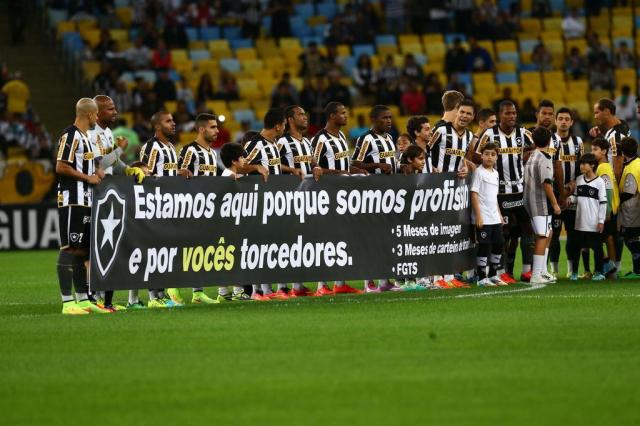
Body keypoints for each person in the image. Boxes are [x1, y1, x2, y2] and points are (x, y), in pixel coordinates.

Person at [90, 95, 145, 311]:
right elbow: (96, 163)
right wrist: (120, 149)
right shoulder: (91, 133)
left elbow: (113, 161)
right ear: (99, 111)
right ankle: (92, 296)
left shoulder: (108, 133)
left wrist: (128, 168)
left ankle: (105, 300)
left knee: (109, 244)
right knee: (95, 246)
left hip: (110, 192)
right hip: (95, 193)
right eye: (111, 109)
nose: (116, 112)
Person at [55, 98, 108, 315]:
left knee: (83, 250)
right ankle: (68, 302)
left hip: (86, 199)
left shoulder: (86, 138)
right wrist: (88, 177)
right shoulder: (70, 135)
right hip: (72, 199)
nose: (97, 118)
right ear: (89, 115)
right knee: (70, 249)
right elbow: (61, 166)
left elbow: (88, 164)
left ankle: (83, 299)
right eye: (96, 115)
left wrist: (97, 171)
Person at [473, 101, 534, 284]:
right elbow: (475, 154)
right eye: (508, 113)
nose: (512, 116)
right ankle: (498, 272)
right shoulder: (489, 134)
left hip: (519, 191)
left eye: (514, 113)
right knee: (503, 235)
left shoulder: (523, 133)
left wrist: (523, 158)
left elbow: (536, 146)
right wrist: (489, 163)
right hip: (499, 194)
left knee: (524, 232)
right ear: (500, 115)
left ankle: (526, 271)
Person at [139, 111, 192, 308]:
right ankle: (154, 297)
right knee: (154, 251)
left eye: (173, 119)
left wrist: (179, 172)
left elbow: (165, 172)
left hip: (169, 206)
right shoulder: (151, 148)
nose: (174, 123)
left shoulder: (170, 147)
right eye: (169, 121)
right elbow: (145, 175)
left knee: (165, 251)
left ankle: (161, 295)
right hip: (155, 206)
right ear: (158, 126)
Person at [172, 113, 223, 305]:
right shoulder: (190, 150)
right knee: (184, 248)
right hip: (188, 208)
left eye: (216, 127)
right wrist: (181, 174)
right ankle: (171, 286)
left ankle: (197, 292)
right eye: (212, 127)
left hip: (205, 209)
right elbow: (176, 174)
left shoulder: (211, 153)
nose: (217, 131)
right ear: (202, 129)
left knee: (199, 250)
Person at [352, 105, 402, 293]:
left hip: (390, 194)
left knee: (386, 239)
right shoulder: (366, 139)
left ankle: (384, 281)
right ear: (373, 119)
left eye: (390, 117)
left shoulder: (389, 138)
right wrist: (376, 165)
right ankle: (369, 282)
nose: (389, 120)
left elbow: (392, 163)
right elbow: (355, 163)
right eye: (384, 118)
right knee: (372, 238)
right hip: (373, 194)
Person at [243, 108, 286, 300]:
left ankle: (268, 290)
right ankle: (255, 291)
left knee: (271, 246)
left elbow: (273, 167)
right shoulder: (256, 144)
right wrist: (256, 167)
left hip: (274, 202)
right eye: (284, 124)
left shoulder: (274, 143)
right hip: (259, 202)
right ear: (277, 126)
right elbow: (241, 166)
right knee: (258, 246)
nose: (284, 128)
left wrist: (291, 169)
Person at [548, 108, 583, 278]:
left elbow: (582, 170)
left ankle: (571, 270)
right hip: (553, 196)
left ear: (571, 122)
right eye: (560, 118)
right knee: (553, 235)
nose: (563, 121)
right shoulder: (550, 141)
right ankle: (554, 270)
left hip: (571, 196)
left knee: (573, 234)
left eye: (566, 119)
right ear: (556, 121)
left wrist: (571, 192)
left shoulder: (578, 142)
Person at [524, 127, 561, 284]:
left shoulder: (533, 155)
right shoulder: (545, 158)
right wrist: (555, 203)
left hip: (529, 199)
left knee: (549, 232)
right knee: (542, 236)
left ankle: (543, 271)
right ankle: (536, 274)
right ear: (550, 141)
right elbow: (546, 184)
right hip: (539, 202)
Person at [471, 142, 507, 287]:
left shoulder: (496, 173)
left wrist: (499, 215)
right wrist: (478, 216)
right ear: (482, 155)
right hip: (484, 216)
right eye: (486, 154)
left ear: (497, 157)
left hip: (494, 217)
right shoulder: (479, 172)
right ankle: (481, 277)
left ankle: (493, 274)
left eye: (492, 154)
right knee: (484, 246)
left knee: (499, 244)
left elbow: (494, 197)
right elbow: (474, 194)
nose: (489, 157)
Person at [569, 153, 608, 281]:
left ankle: (599, 272)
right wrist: (570, 199)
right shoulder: (579, 179)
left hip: (593, 222)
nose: (581, 166)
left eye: (584, 164)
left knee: (597, 249)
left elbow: (603, 203)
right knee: (578, 248)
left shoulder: (600, 182)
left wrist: (601, 221)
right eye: (581, 163)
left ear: (592, 165)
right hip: (580, 221)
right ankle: (576, 272)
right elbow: (576, 196)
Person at [591, 138, 620, 278]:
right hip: (612, 207)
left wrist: (606, 210)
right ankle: (611, 266)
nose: (593, 152)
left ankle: (610, 266)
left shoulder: (602, 168)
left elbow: (607, 188)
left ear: (604, 151)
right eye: (592, 149)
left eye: (595, 149)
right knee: (608, 237)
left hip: (607, 209)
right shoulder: (607, 166)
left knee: (604, 238)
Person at [618, 137, 640, 278]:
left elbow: (629, 192)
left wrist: (615, 199)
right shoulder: (637, 163)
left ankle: (638, 271)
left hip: (632, 209)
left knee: (630, 239)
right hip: (636, 207)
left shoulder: (632, 168)